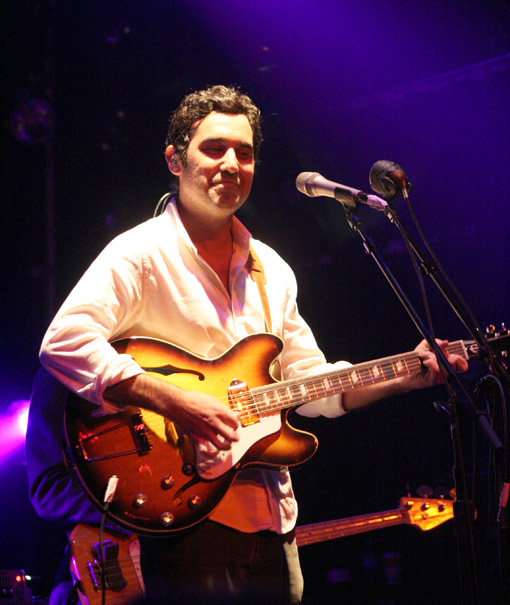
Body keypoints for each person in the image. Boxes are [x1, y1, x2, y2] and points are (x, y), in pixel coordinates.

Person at [37, 84, 468, 603]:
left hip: (272, 523)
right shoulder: (138, 254)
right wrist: (173, 401)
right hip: (184, 520)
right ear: (175, 159)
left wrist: (404, 373)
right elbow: (64, 341)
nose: (231, 163)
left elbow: (313, 387)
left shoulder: (272, 269)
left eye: (244, 152)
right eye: (213, 148)